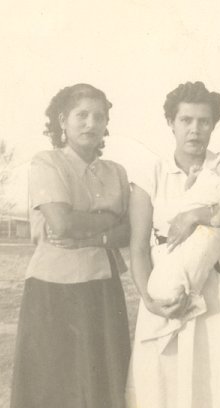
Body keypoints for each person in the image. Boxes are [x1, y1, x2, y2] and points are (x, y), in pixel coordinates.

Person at [126, 81, 220, 408]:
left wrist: (198, 215)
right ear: (171, 123)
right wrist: (149, 300)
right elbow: (137, 246)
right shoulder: (152, 172)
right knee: (166, 380)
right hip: (170, 281)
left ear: (214, 125)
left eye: (204, 121)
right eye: (186, 120)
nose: (195, 130)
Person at [11, 83, 131, 408]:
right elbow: (60, 223)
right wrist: (108, 218)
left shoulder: (116, 172)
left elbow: (129, 231)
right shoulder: (47, 163)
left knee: (102, 387)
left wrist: (92, 233)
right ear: (63, 120)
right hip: (53, 291)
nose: (91, 123)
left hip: (103, 290)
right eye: (82, 115)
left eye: (99, 116)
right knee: (53, 387)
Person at [143, 149, 220, 350]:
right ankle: (176, 304)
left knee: (193, 265)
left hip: (205, 235)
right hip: (173, 238)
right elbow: (191, 193)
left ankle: (186, 300)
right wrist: (192, 181)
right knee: (170, 275)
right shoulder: (205, 175)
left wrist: (219, 214)